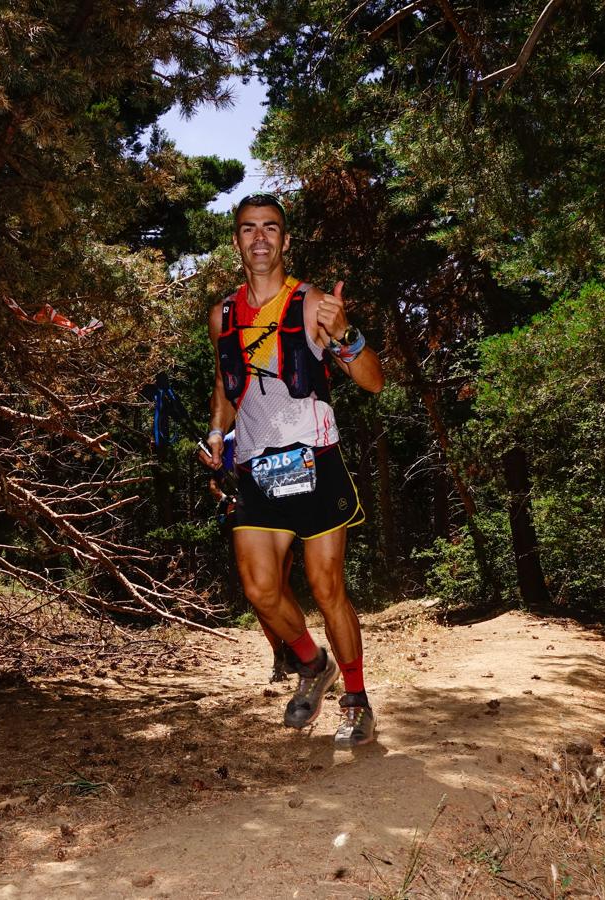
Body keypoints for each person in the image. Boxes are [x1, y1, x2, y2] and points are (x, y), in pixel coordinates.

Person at [200, 193, 384, 748]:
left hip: (314, 461)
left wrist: (347, 333)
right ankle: (312, 663)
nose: (260, 238)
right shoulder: (222, 316)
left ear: (285, 240)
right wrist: (216, 433)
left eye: (271, 229)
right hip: (258, 468)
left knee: (328, 590)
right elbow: (225, 385)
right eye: (249, 229)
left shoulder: (313, 305)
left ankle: (356, 701)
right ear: (236, 241)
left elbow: (373, 381)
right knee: (260, 589)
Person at [209, 430, 303, 683]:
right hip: (245, 525)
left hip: (278, 522)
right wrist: (226, 498)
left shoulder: (277, 432)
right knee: (262, 598)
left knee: (281, 589)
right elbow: (215, 482)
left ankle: (298, 649)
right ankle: (279, 656)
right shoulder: (229, 441)